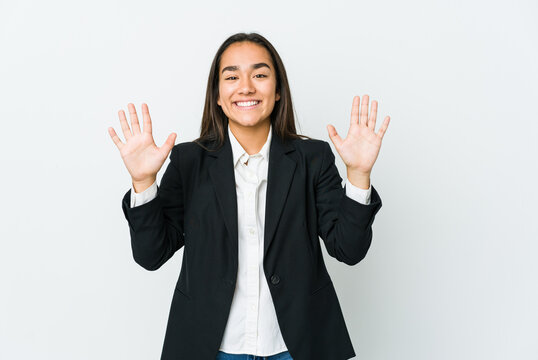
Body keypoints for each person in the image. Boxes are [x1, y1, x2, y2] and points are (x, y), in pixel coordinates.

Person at [108, 32, 390, 360]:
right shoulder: (189, 162)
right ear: (216, 94)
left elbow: (349, 249)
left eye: (259, 74)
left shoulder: (312, 158)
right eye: (232, 76)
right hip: (210, 348)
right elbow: (150, 255)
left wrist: (358, 175)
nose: (246, 87)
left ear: (278, 89)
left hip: (297, 346)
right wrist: (143, 181)